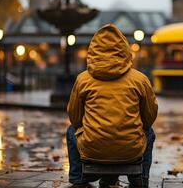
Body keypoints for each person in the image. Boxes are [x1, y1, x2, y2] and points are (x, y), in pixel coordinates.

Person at [66, 23, 158, 187]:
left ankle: (78, 178)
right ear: (125, 50)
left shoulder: (83, 79)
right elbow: (149, 117)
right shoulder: (140, 80)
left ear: (93, 51)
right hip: (131, 151)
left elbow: (74, 118)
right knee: (149, 132)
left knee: (71, 131)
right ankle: (140, 179)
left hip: (92, 149)